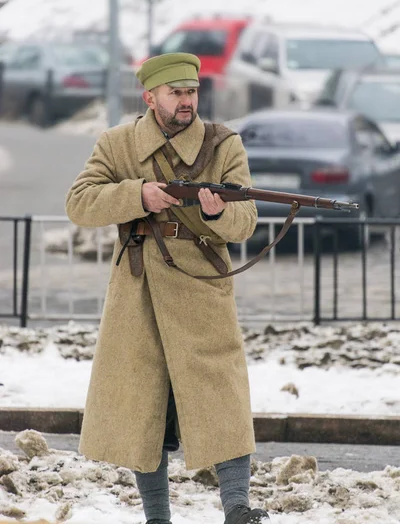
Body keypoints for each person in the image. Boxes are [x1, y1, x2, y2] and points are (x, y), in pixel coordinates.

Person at [65, 52, 270, 524]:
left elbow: (246, 222)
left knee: (222, 398)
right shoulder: (117, 145)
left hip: (202, 287)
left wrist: (217, 212)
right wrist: (137, 194)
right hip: (139, 294)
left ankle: (237, 508)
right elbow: (79, 202)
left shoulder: (222, 145)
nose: (186, 101)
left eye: (192, 91)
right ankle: (157, 516)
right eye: (176, 92)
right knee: (145, 404)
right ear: (150, 96)